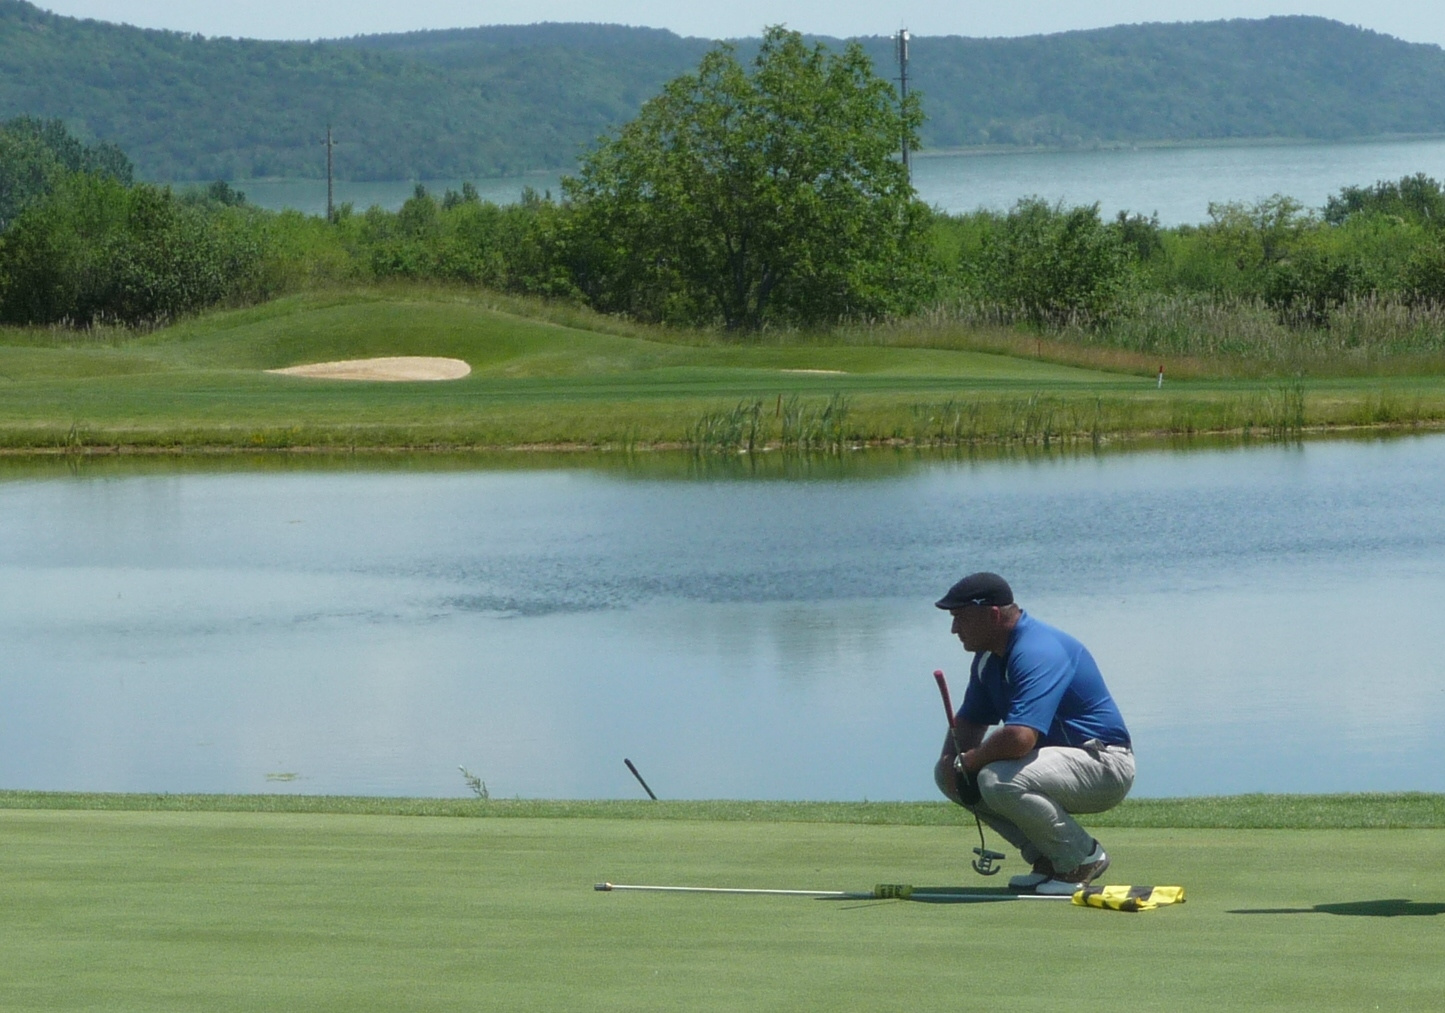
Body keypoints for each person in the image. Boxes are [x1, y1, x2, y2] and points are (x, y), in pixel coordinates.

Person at [932, 572, 1135, 895]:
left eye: (961, 617)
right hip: (1059, 765)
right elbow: (970, 721)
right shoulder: (988, 658)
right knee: (951, 776)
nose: (955, 629)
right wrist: (953, 763)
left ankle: (1081, 858)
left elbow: (1020, 738)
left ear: (993, 615)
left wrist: (970, 761)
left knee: (997, 778)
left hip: (1105, 764)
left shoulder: (1037, 650)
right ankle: (1048, 859)